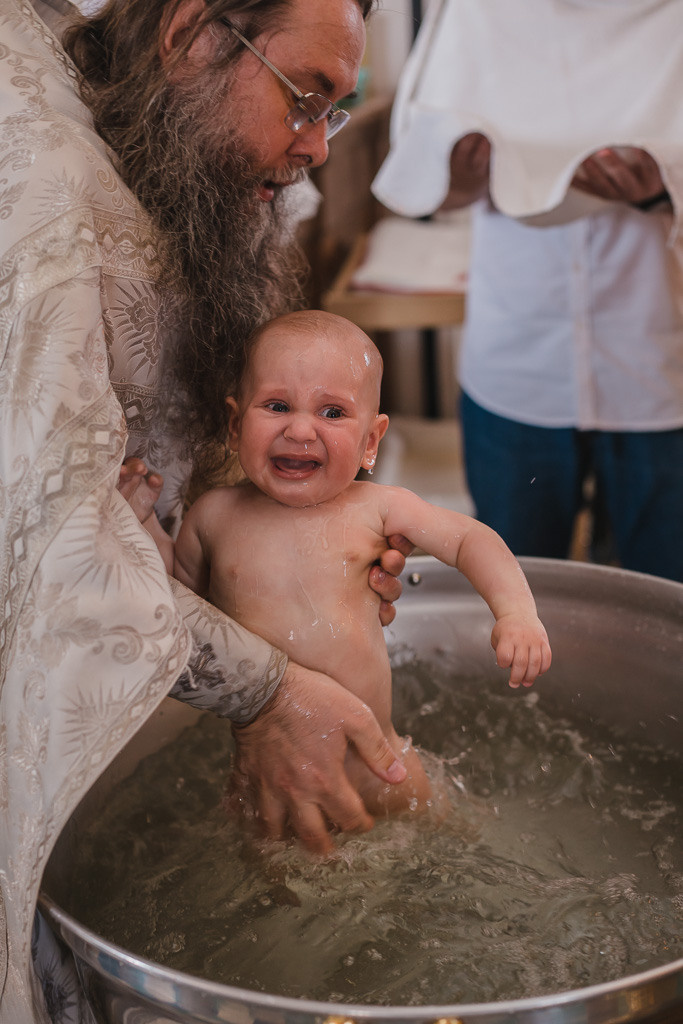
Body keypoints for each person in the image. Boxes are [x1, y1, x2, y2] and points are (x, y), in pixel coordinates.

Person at [0, 2, 410, 1020]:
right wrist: (266, 694)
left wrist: (295, 530)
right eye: (305, 99)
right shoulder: (45, 196)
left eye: (338, 111)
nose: (314, 149)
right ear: (192, 35)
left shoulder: (145, 118)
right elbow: (55, 554)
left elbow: (168, 411)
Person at [165, 310, 552, 817]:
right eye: (277, 406)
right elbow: (171, 607)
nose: (300, 430)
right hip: (273, 772)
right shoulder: (213, 517)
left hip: (382, 766)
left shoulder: (375, 507)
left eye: (332, 413)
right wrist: (138, 524)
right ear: (237, 425)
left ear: (371, 440)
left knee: (456, 840)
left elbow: (469, 539)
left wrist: (516, 612)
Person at [372, 0, 683, 581]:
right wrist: (462, 171)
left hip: (657, 367)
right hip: (516, 365)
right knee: (513, 587)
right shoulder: (477, 14)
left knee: (666, 590)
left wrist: (659, 183)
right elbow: (420, 158)